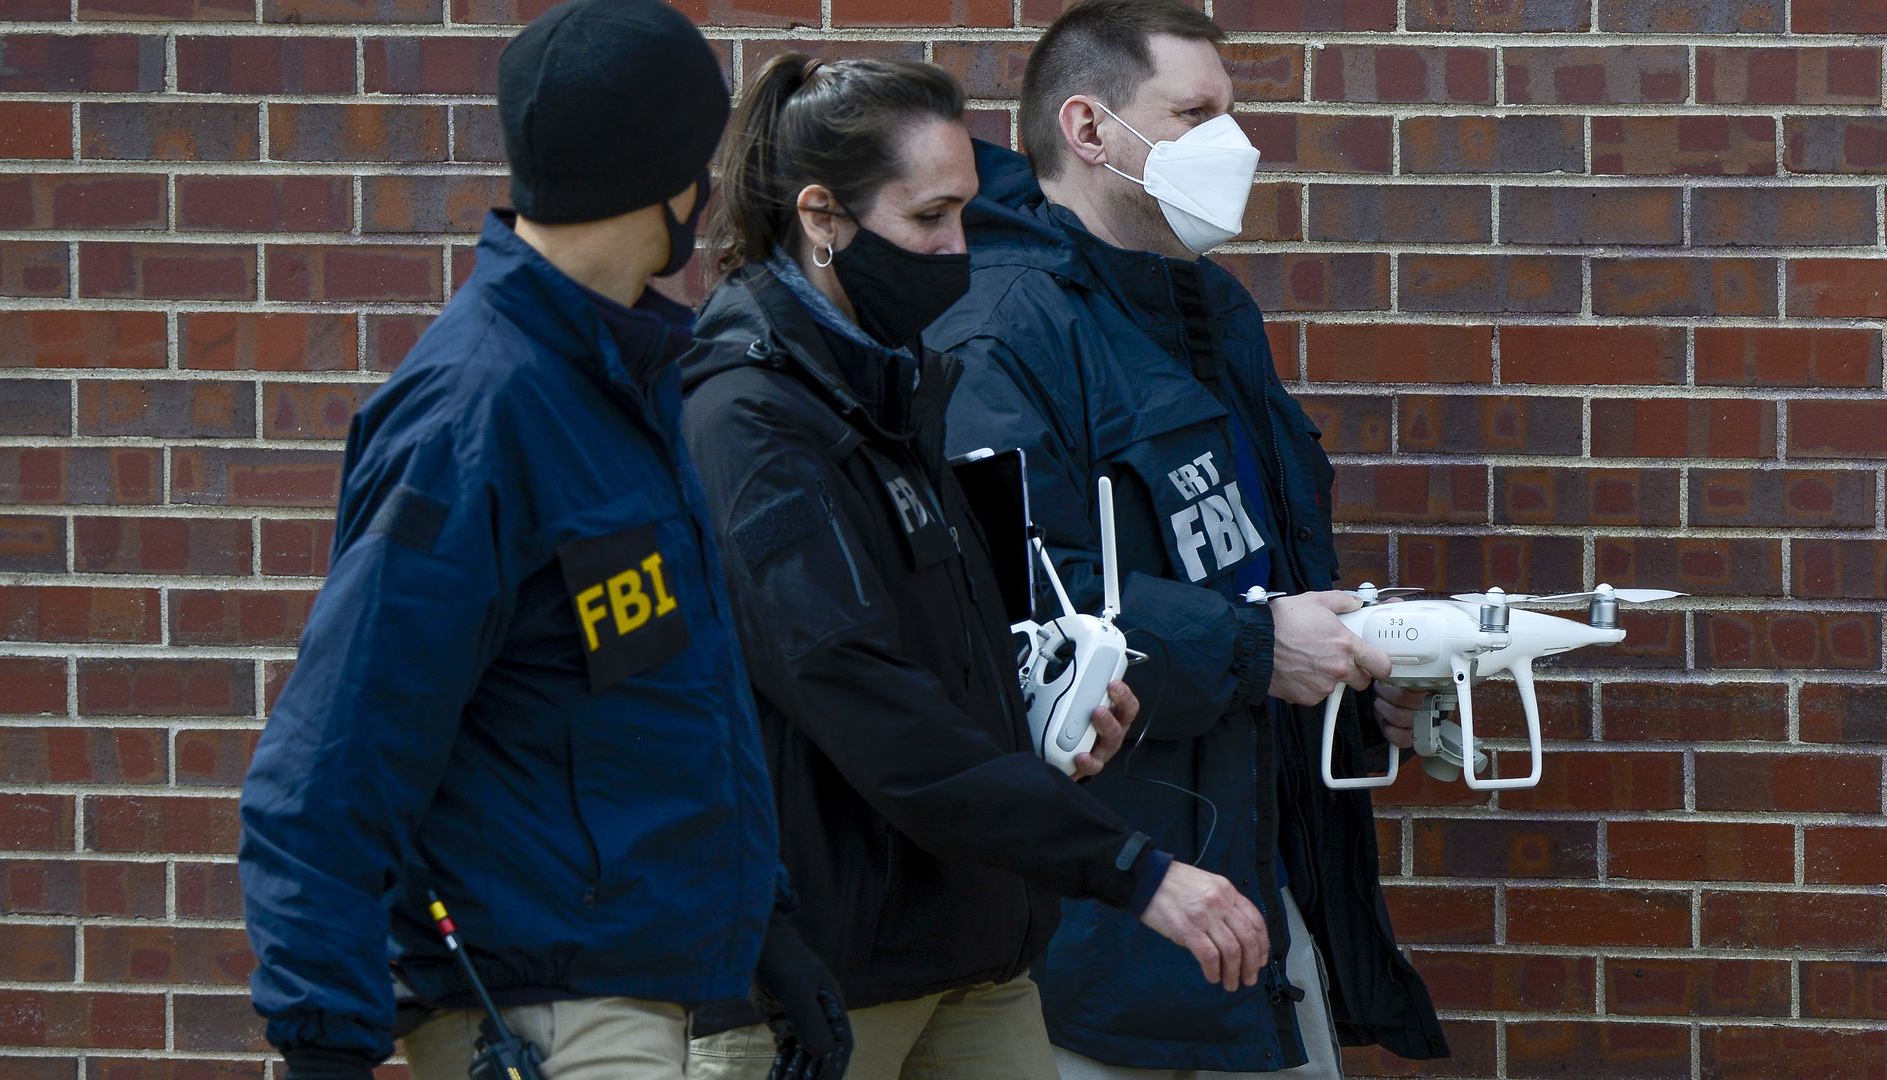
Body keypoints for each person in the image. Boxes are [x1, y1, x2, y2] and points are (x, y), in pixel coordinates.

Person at [236, 3, 850, 1078]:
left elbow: (659, 701)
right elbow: (332, 759)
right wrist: (323, 1043)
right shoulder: (475, 415)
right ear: (665, 182)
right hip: (548, 1017)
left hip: (642, 992)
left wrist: (765, 928)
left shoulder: (618, 383)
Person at [678, 53, 1272, 1080]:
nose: (959, 246)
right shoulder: (748, 421)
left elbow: (944, 649)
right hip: (817, 969)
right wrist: (1129, 869)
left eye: (962, 210)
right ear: (822, 218)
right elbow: (861, 694)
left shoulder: (897, 386)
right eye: (928, 218)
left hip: (974, 941)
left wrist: (1038, 711)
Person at [923, 1, 1450, 1077]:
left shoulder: (1213, 310)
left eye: (1230, 114)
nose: (1232, 145)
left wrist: (1356, 681)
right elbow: (1016, 606)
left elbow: (1259, 570)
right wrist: (1260, 649)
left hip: (1251, 886)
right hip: (1099, 924)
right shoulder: (1000, 330)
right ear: (1089, 128)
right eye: (1196, 114)